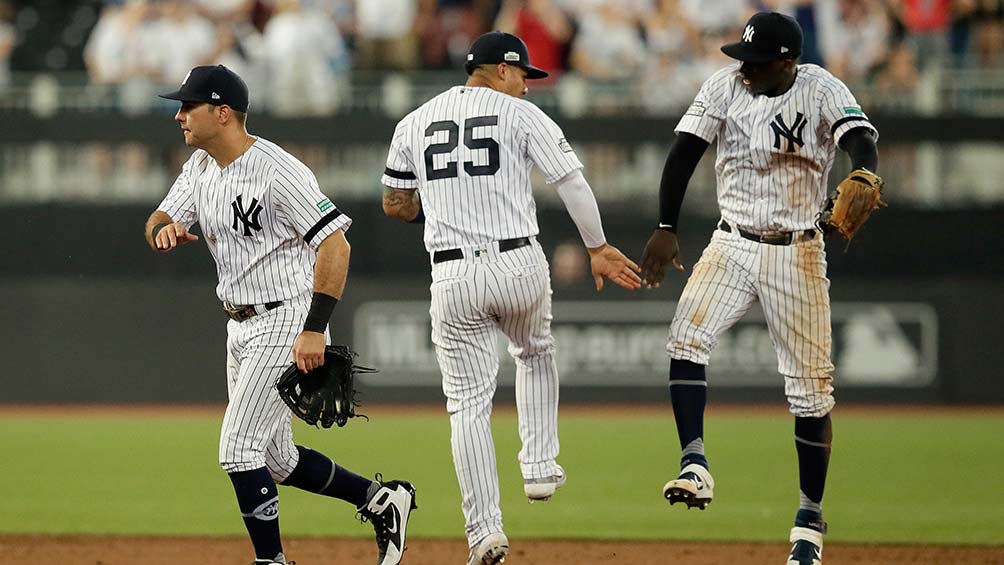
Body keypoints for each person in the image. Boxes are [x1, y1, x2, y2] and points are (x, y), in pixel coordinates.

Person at [380, 31, 641, 565]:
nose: (527, 85)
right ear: (501, 70)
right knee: (536, 352)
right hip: (518, 260)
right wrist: (597, 247)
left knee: (467, 407)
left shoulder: (415, 120)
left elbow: (394, 202)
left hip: (452, 273)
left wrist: (438, 202)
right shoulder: (520, 115)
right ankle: (540, 469)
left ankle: (484, 533)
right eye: (524, 74)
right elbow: (570, 181)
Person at [144, 65, 416, 565]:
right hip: (240, 323)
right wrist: (162, 229)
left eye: (189, 106)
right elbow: (162, 215)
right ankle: (383, 501)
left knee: (237, 450)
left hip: (286, 317)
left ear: (222, 112)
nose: (178, 114)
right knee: (276, 460)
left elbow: (336, 244)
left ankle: (272, 562)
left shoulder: (277, 169)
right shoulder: (201, 166)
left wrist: (314, 328)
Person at [639, 12, 880, 565]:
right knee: (685, 339)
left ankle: (808, 528)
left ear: (788, 61)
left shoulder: (820, 88)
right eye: (742, 57)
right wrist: (667, 226)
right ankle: (695, 464)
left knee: (811, 393)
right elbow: (683, 153)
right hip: (732, 240)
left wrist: (866, 171)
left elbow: (860, 138)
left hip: (797, 249)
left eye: (757, 61)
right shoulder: (725, 86)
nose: (744, 69)